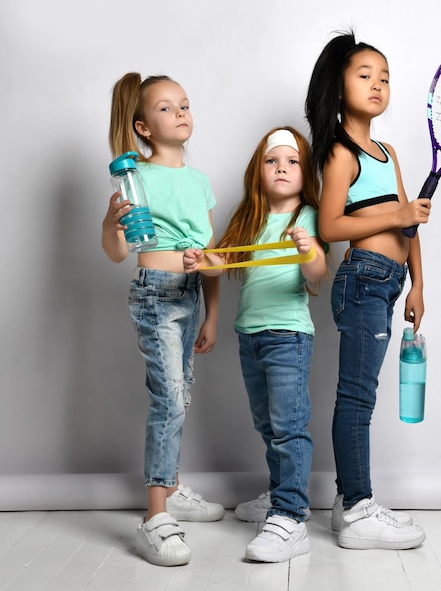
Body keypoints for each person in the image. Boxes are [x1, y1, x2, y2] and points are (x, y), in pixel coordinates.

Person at [305, 31, 431, 550]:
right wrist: (397, 213)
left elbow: (410, 226)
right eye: (364, 75)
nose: (378, 84)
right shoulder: (340, 152)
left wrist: (418, 283)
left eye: (384, 77)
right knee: (357, 397)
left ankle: (345, 501)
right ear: (339, 87)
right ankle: (358, 510)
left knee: (362, 395)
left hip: (390, 282)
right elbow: (330, 226)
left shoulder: (387, 151)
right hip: (361, 280)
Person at [184, 127, 327, 562]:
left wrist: (308, 251)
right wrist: (200, 261)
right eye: (272, 161)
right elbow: (219, 264)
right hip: (249, 334)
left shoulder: (307, 217)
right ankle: (278, 494)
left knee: (289, 426)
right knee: (268, 426)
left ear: (305, 174)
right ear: (257, 172)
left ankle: (290, 516)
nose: (281, 168)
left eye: (292, 162)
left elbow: (318, 273)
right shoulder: (248, 216)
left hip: (289, 335)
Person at [102, 73, 225, 567]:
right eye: (166, 108)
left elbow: (213, 258)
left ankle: (170, 488)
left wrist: (212, 316)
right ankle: (155, 516)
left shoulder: (200, 183)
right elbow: (116, 253)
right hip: (155, 294)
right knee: (169, 397)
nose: (180, 113)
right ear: (143, 127)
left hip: (190, 295)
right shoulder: (136, 177)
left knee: (182, 394)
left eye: (185, 105)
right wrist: (111, 222)